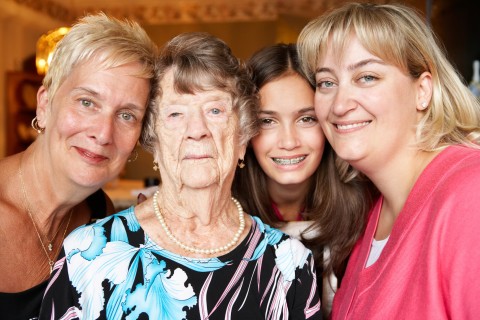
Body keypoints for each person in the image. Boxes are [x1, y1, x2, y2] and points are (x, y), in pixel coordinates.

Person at [39, 32, 322, 319]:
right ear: (153, 140)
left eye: (215, 110)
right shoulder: (88, 253)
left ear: (243, 137)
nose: (196, 129)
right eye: (175, 114)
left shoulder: (290, 264)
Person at [297, 2, 480, 319]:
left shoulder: (470, 192)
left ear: (422, 90)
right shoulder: (372, 214)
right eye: (327, 82)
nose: (339, 105)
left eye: (366, 77)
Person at [0, 13, 158, 319]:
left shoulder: (103, 218)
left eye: (127, 115)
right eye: (87, 102)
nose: (103, 133)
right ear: (44, 105)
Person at [232, 43, 374, 316]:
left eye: (306, 119)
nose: (288, 142)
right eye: (267, 122)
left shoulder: (366, 204)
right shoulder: (224, 212)